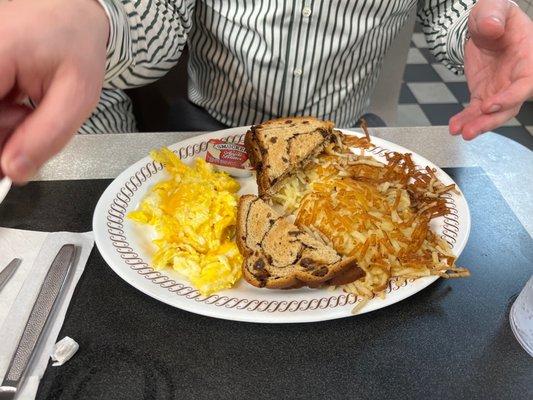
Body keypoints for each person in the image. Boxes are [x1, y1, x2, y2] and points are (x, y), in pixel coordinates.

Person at [0, 0, 531, 184]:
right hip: (208, 133)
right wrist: (95, 19)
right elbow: (158, 14)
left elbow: (449, 8)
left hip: (335, 141)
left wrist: (478, 27)